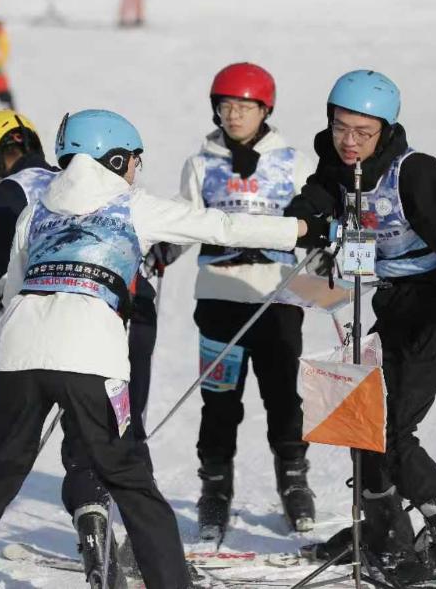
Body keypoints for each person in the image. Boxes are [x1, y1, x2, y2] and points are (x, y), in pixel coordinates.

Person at [0, 109, 332, 589]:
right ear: (113, 159)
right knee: (131, 481)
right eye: (134, 159)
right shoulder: (132, 205)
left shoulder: (35, 210)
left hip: (16, 357)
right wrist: (301, 230)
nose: (136, 169)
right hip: (90, 358)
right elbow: (220, 226)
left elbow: (13, 288)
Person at [0, 109, 167, 585]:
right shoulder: (74, 179)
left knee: (35, 447)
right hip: (132, 313)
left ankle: (95, 537)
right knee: (116, 438)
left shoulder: (16, 192)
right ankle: (127, 543)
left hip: (71, 329)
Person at [286, 70, 436, 584]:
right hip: (392, 306)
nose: (349, 141)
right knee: (361, 418)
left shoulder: (413, 172)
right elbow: (310, 207)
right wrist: (301, 228)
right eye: (340, 128)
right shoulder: (336, 167)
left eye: (363, 132)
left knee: (391, 430)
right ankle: (384, 533)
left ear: (385, 131)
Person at [174, 62, 318, 541]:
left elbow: (315, 226)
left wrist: (330, 262)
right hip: (219, 296)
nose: (233, 115)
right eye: (225, 106)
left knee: (282, 396)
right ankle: (215, 489)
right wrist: (155, 254)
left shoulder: (294, 163)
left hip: (277, 297)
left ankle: (294, 481)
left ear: (264, 109)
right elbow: (182, 224)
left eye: (244, 106)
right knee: (219, 402)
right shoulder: (201, 165)